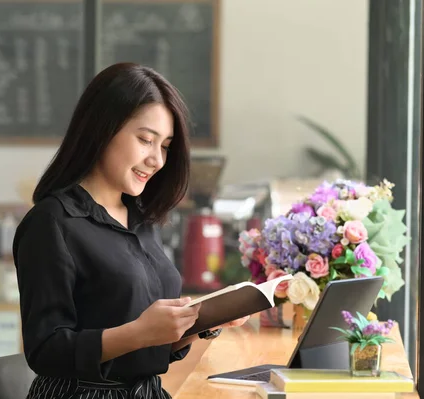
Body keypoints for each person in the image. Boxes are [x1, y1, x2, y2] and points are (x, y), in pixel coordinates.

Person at [13, 63, 249, 399]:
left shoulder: (142, 220)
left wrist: (202, 322)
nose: (157, 160)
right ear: (102, 130)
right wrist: (139, 332)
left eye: (165, 145)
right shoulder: (51, 222)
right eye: (145, 140)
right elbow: (45, 350)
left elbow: (149, 344)